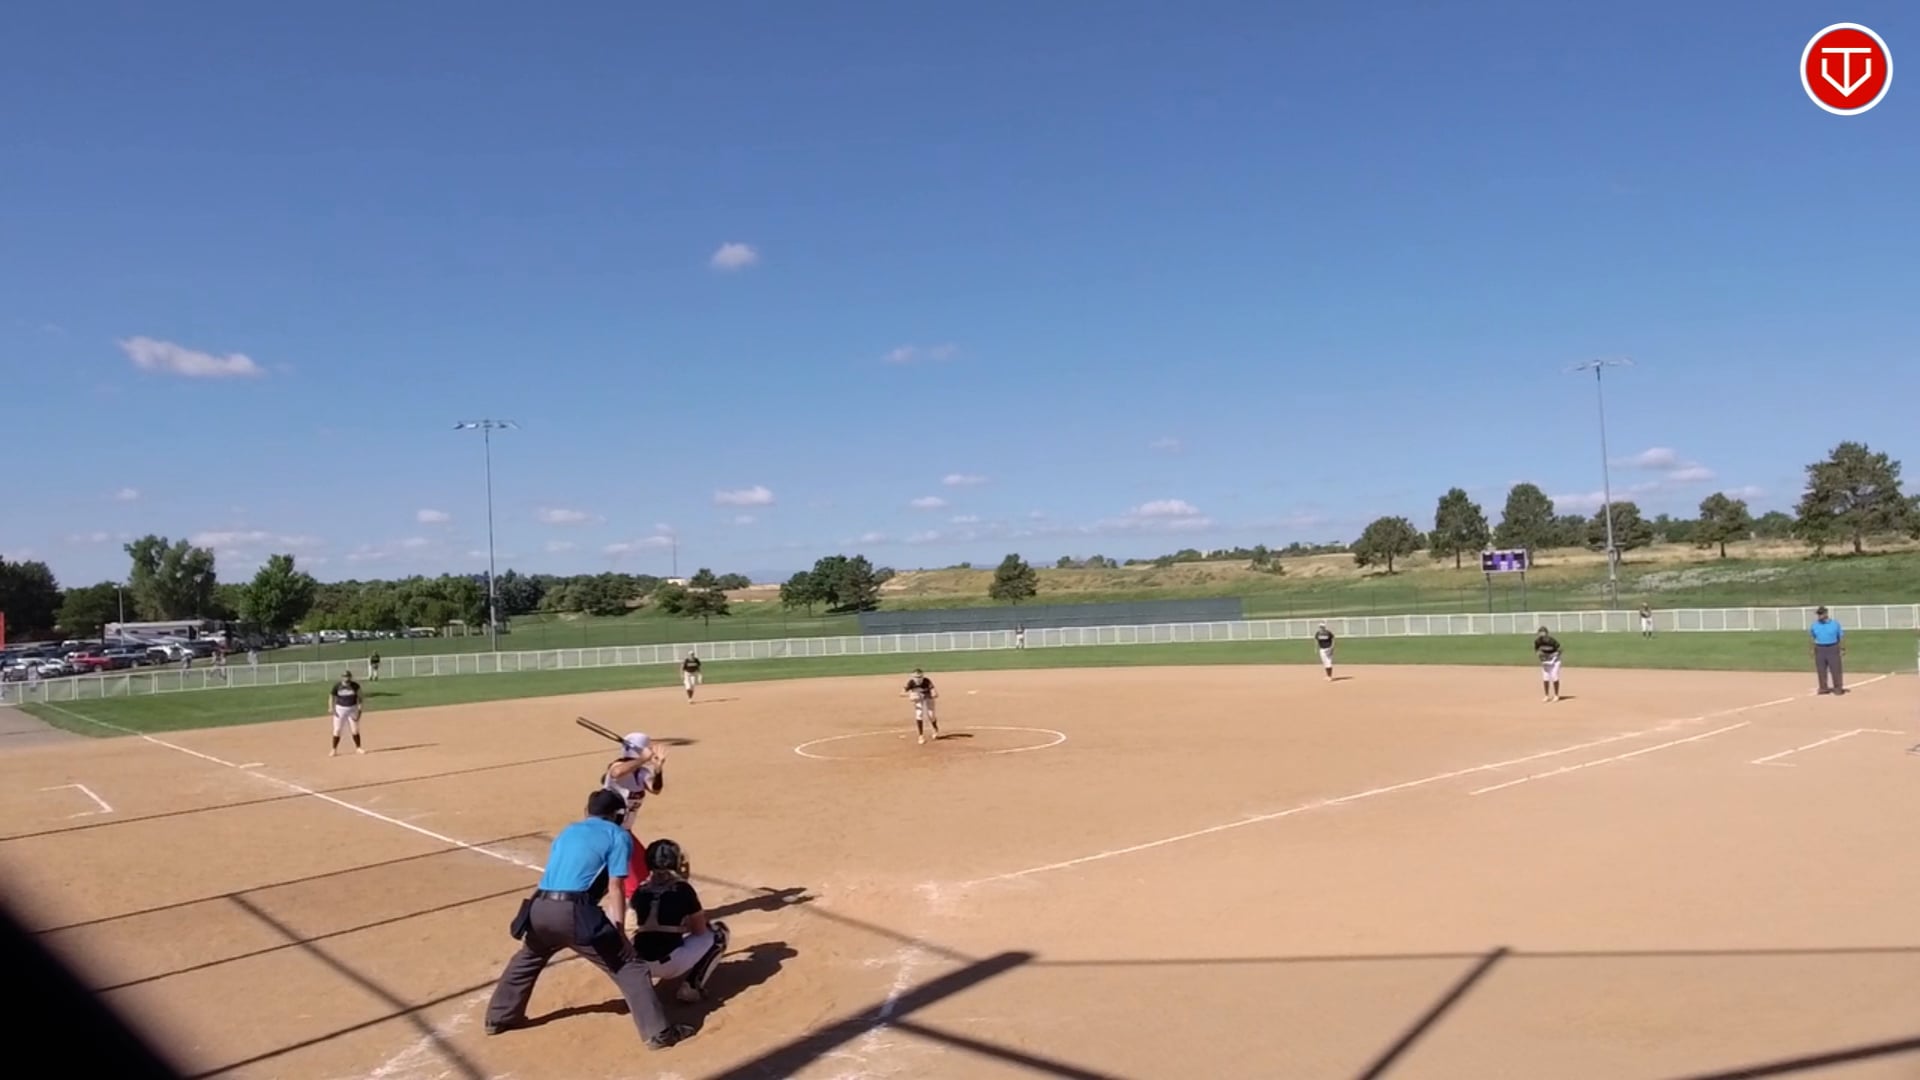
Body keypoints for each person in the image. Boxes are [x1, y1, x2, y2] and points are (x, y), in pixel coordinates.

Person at [483, 790, 694, 1048]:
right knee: (629, 966)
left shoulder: (568, 832)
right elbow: (616, 886)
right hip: (574, 912)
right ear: (618, 815)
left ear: (588, 811)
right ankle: (658, 1033)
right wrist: (619, 932)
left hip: (539, 907)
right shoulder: (617, 835)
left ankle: (499, 1018)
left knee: (527, 958)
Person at [630, 838, 730, 1004]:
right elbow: (699, 930)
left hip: (639, 964)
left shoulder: (639, 890)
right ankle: (692, 987)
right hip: (671, 964)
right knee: (718, 933)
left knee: (639, 938)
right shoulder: (683, 889)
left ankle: (638, 990)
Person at [602, 733, 666, 899]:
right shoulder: (618, 766)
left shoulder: (641, 772)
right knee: (634, 882)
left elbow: (656, 789)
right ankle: (632, 909)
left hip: (625, 831)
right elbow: (616, 772)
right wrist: (643, 759)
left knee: (644, 869)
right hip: (611, 832)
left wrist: (658, 769)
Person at [1809, 606, 1845, 695]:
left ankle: (1838, 688)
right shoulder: (1814, 625)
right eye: (1818, 614)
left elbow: (1840, 636)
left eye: (1821, 614)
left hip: (1833, 647)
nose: (1819, 616)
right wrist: (1812, 649)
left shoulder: (1835, 624)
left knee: (1835, 669)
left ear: (1826, 614)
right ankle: (1823, 688)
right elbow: (1813, 637)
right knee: (1821, 669)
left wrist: (1842, 648)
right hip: (1820, 648)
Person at [329, 670, 364, 756]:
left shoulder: (355, 686)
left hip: (353, 708)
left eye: (348, 677)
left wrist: (360, 709)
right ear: (342, 678)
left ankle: (358, 748)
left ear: (350, 677)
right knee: (337, 730)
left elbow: (360, 697)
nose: (346, 679)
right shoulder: (337, 686)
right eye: (345, 677)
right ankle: (334, 749)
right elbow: (331, 696)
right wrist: (331, 707)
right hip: (340, 709)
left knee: (355, 729)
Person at [904, 668, 939, 744]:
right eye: (916, 677)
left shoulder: (927, 681)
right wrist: (911, 695)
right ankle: (921, 735)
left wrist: (933, 694)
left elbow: (934, 692)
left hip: (928, 698)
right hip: (918, 699)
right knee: (919, 714)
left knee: (931, 715)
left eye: (919, 677)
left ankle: (935, 728)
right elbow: (902, 693)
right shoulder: (911, 682)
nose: (918, 679)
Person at [1533, 626, 1562, 703]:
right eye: (1540, 633)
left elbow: (1560, 650)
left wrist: (1553, 655)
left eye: (1543, 633)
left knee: (1554, 676)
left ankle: (1556, 695)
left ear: (1547, 634)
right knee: (1545, 678)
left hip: (1555, 661)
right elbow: (1536, 650)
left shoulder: (1551, 641)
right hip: (1545, 661)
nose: (1542, 635)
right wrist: (1539, 654)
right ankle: (1546, 695)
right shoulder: (1537, 642)